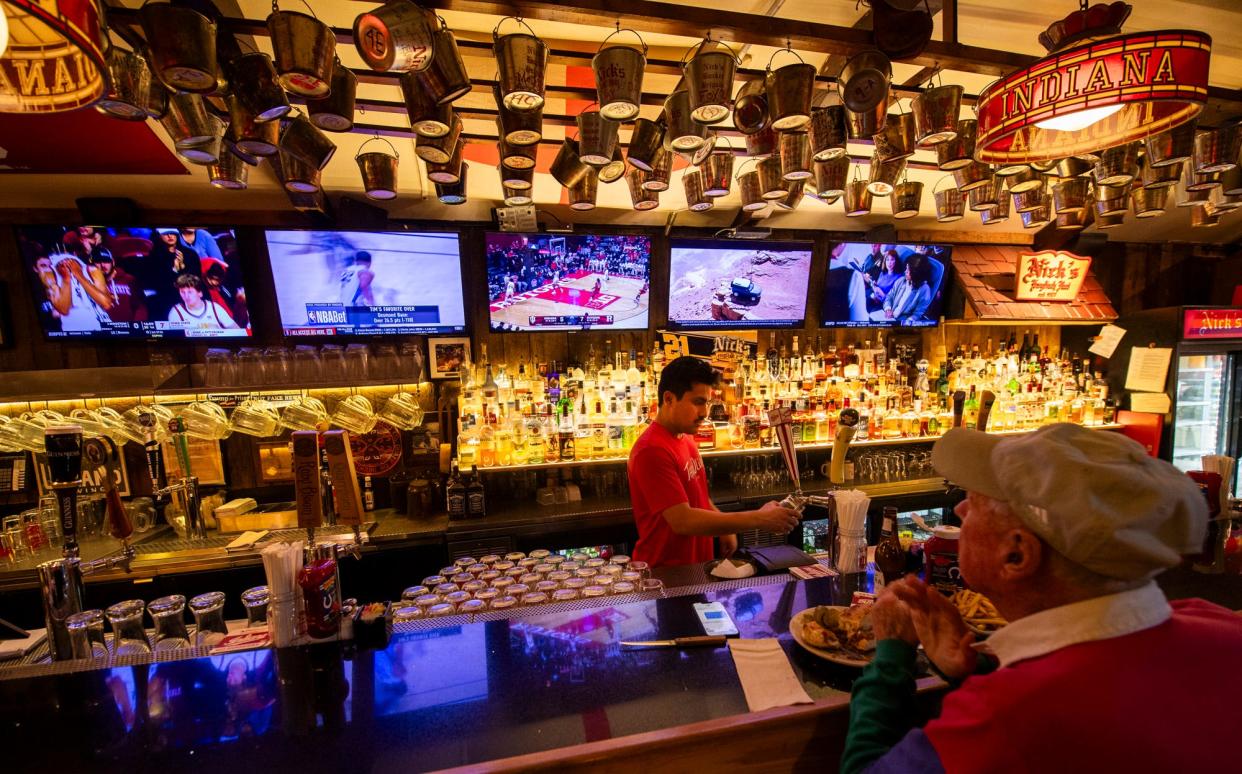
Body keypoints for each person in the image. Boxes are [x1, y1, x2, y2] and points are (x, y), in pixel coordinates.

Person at [842, 424, 1242, 774]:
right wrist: (980, 665)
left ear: (1017, 554)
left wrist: (891, 656)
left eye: (978, 502)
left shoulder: (1004, 718)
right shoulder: (1218, 623)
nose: (961, 507)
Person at [626, 356, 800, 567]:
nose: (704, 413)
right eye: (698, 402)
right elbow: (682, 521)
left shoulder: (685, 435)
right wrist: (760, 518)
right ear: (669, 399)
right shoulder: (651, 450)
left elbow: (697, 496)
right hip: (665, 574)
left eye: (707, 403)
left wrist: (724, 525)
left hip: (694, 567)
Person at [34, 252, 113, 332]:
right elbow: (63, 309)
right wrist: (66, 280)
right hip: (72, 330)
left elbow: (106, 304)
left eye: (70, 260)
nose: (67, 262)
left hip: (101, 328)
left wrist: (79, 275)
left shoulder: (92, 270)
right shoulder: (48, 273)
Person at [870, 253, 933, 324]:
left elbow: (918, 314)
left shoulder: (925, 290)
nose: (905, 271)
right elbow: (889, 296)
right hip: (888, 316)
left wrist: (905, 323)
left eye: (908, 270)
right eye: (906, 268)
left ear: (916, 273)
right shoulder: (901, 280)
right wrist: (888, 309)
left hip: (902, 323)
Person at [166, 273, 238, 331]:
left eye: (190, 292)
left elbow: (237, 331)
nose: (186, 296)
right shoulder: (176, 312)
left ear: (200, 293)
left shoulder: (215, 308)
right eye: (182, 292)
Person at [93, 250, 147, 323]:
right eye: (98, 261)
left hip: (129, 329)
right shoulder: (91, 282)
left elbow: (140, 307)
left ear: (113, 262)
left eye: (106, 261)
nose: (102, 265)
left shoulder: (129, 280)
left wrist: (137, 326)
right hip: (103, 329)